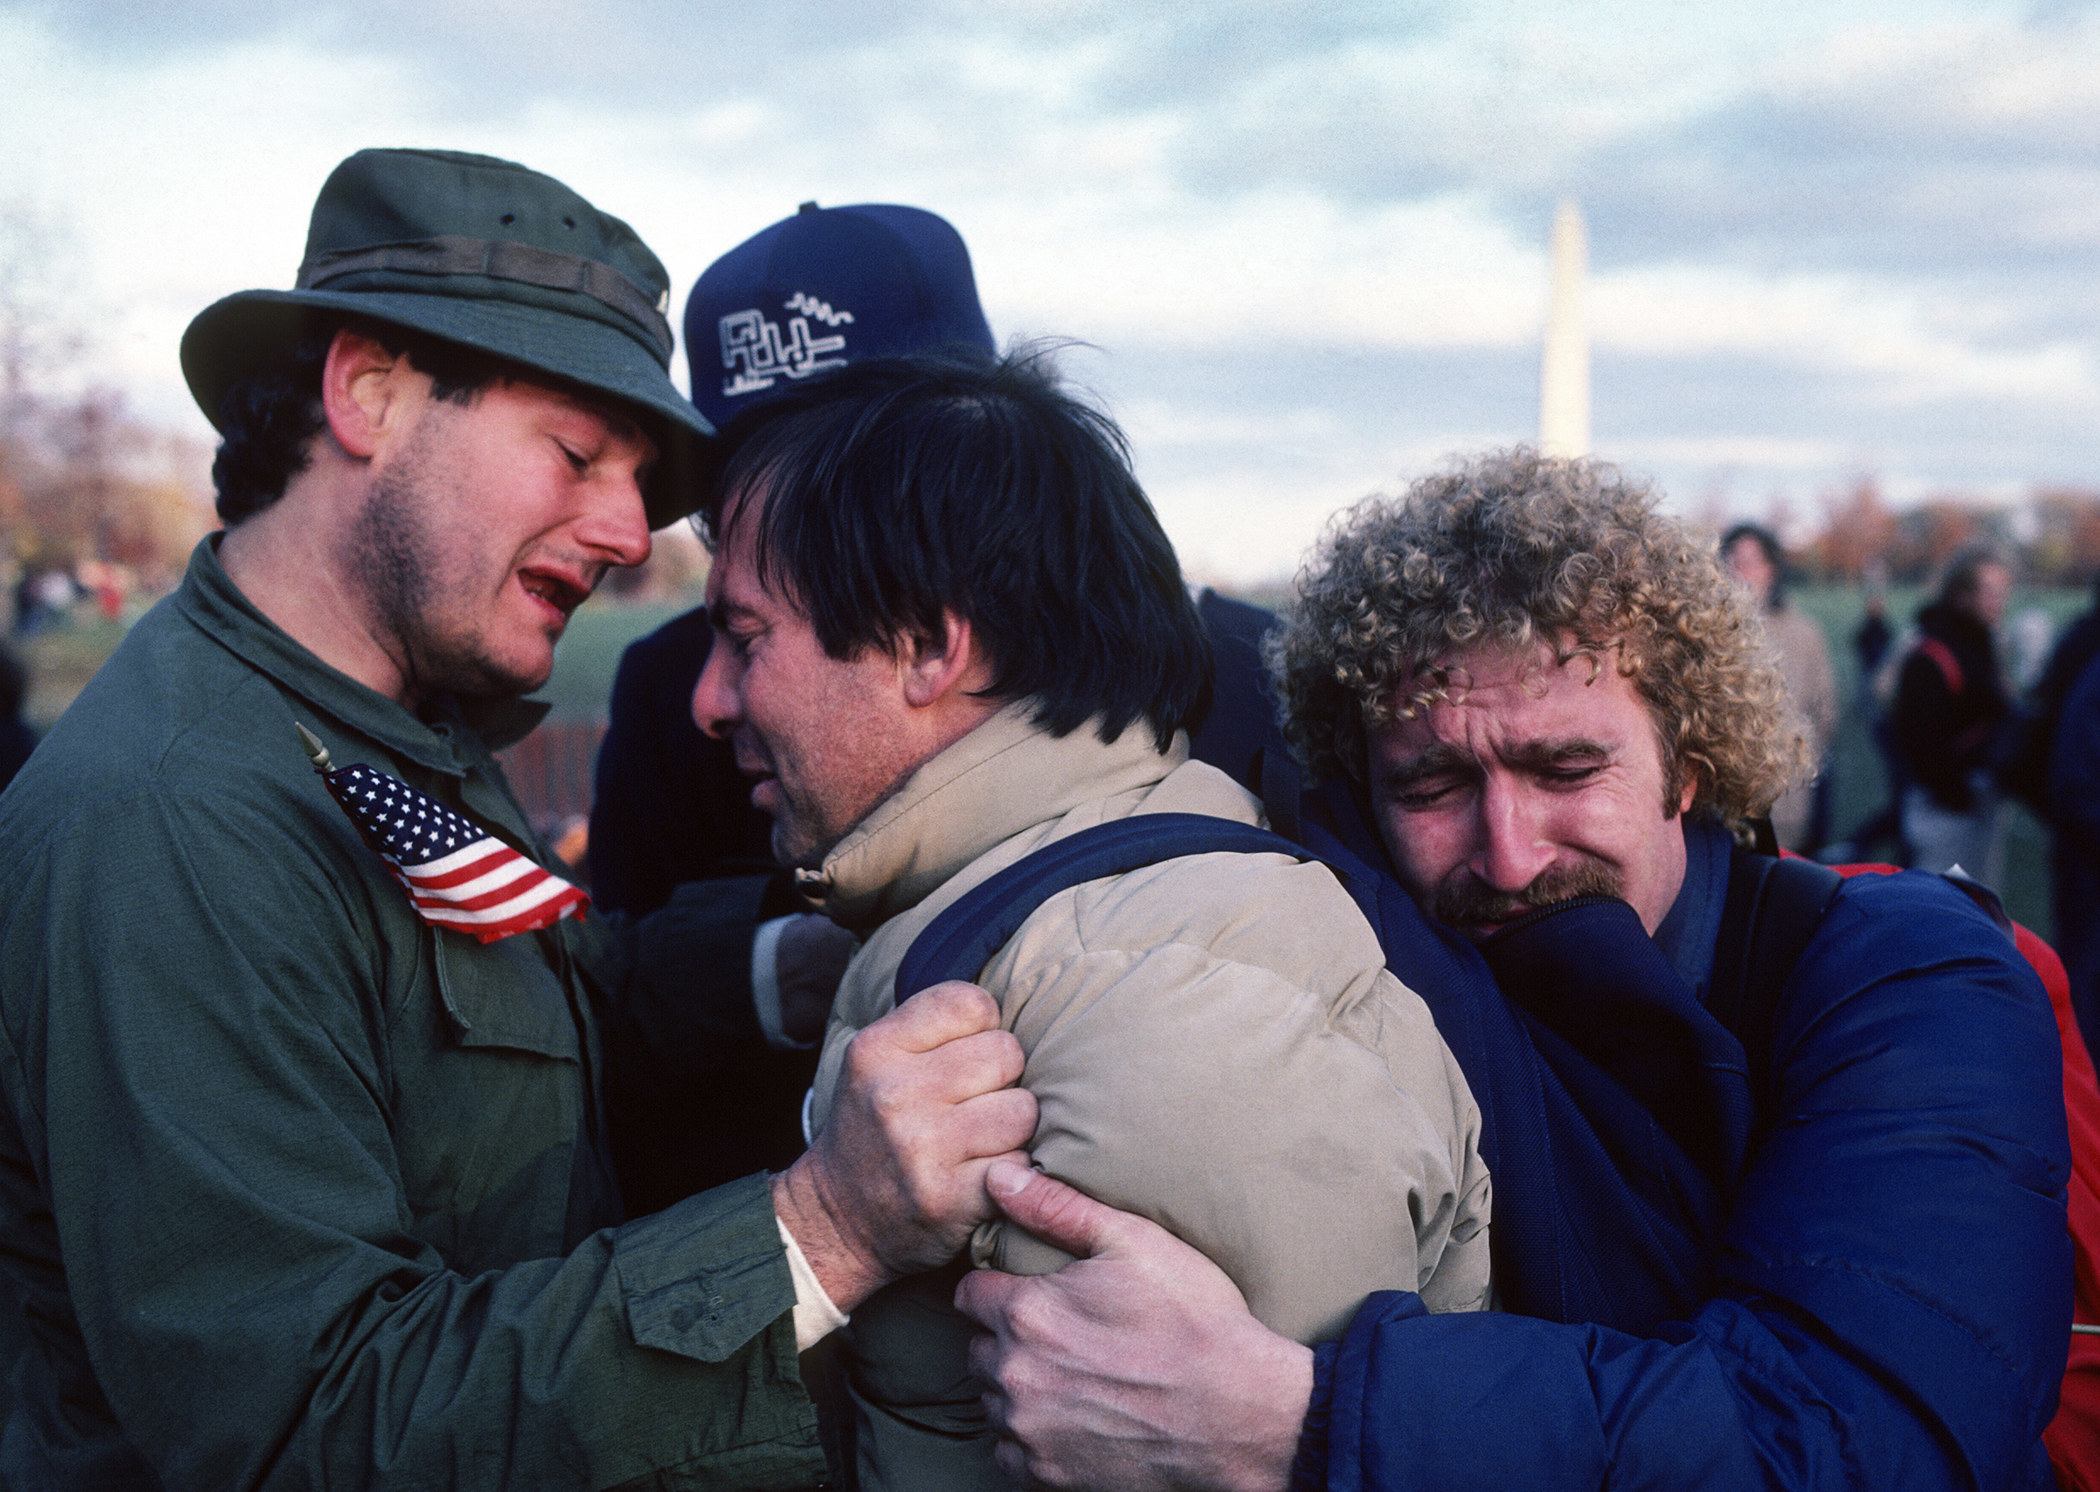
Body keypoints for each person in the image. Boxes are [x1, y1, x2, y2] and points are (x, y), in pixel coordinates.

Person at [0, 147, 1040, 1490]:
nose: (626, 532)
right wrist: (823, 1230)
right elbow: (310, 1424)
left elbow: (530, 1018)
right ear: (369, 393)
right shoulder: (175, 827)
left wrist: (800, 965)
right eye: (577, 456)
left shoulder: (390, 723)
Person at [957, 449, 2070, 1491]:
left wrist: (1296, 1418)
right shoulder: (1360, 958)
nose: (1508, 852)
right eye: (1433, 786)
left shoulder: (1915, 978)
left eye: (1567, 766)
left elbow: (1852, 1436)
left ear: (1688, 764)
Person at [691, 351, 1492, 1491]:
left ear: (927, 643)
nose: (709, 700)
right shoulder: (1079, 915)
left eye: (746, 635)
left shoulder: (1149, 1005)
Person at [591, 202, 1291, 1206]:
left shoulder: (1240, 678)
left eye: (867, 449)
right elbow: (623, 1049)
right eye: (741, 472)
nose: (805, 498)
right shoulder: (682, 698)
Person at [1892, 545, 2015, 880]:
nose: (1999, 602)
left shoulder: (1981, 643)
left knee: (1981, 907)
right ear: (1960, 595)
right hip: (1944, 812)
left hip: (1976, 802)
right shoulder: (1933, 654)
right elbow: (1920, 742)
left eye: (2003, 592)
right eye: (1989, 592)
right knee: (1942, 915)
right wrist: (1958, 794)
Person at [1721, 522, 1835, 851]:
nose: (1740, 572)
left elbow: (1825, 713)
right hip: (1716, 807)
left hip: (1784, 806)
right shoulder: (1703, 632)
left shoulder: (1804, 634)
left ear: (1771, 569)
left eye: (1751, 562)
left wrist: (1794, 768)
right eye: (1732, 561)